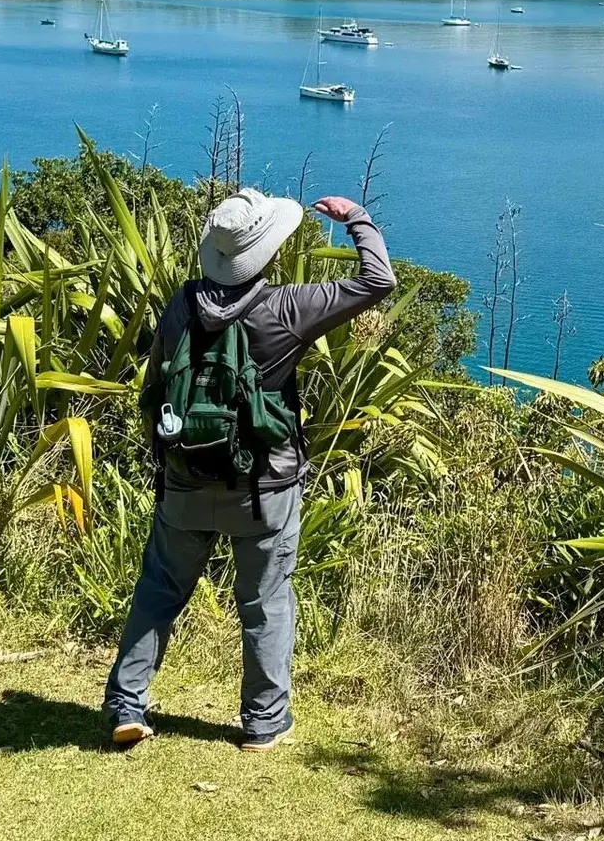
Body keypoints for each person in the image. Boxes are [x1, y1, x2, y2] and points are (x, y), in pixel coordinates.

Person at [104, 187, 395, 750]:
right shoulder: (286, 309)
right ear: (265, 252)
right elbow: (377, 281)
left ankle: (126, 704)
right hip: (263, 489)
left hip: (186, 479)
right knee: (265, 602)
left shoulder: (181, 305)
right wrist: (357, 219)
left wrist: (165, 464)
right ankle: (263, 724)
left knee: (160, 590)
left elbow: (155, 388)